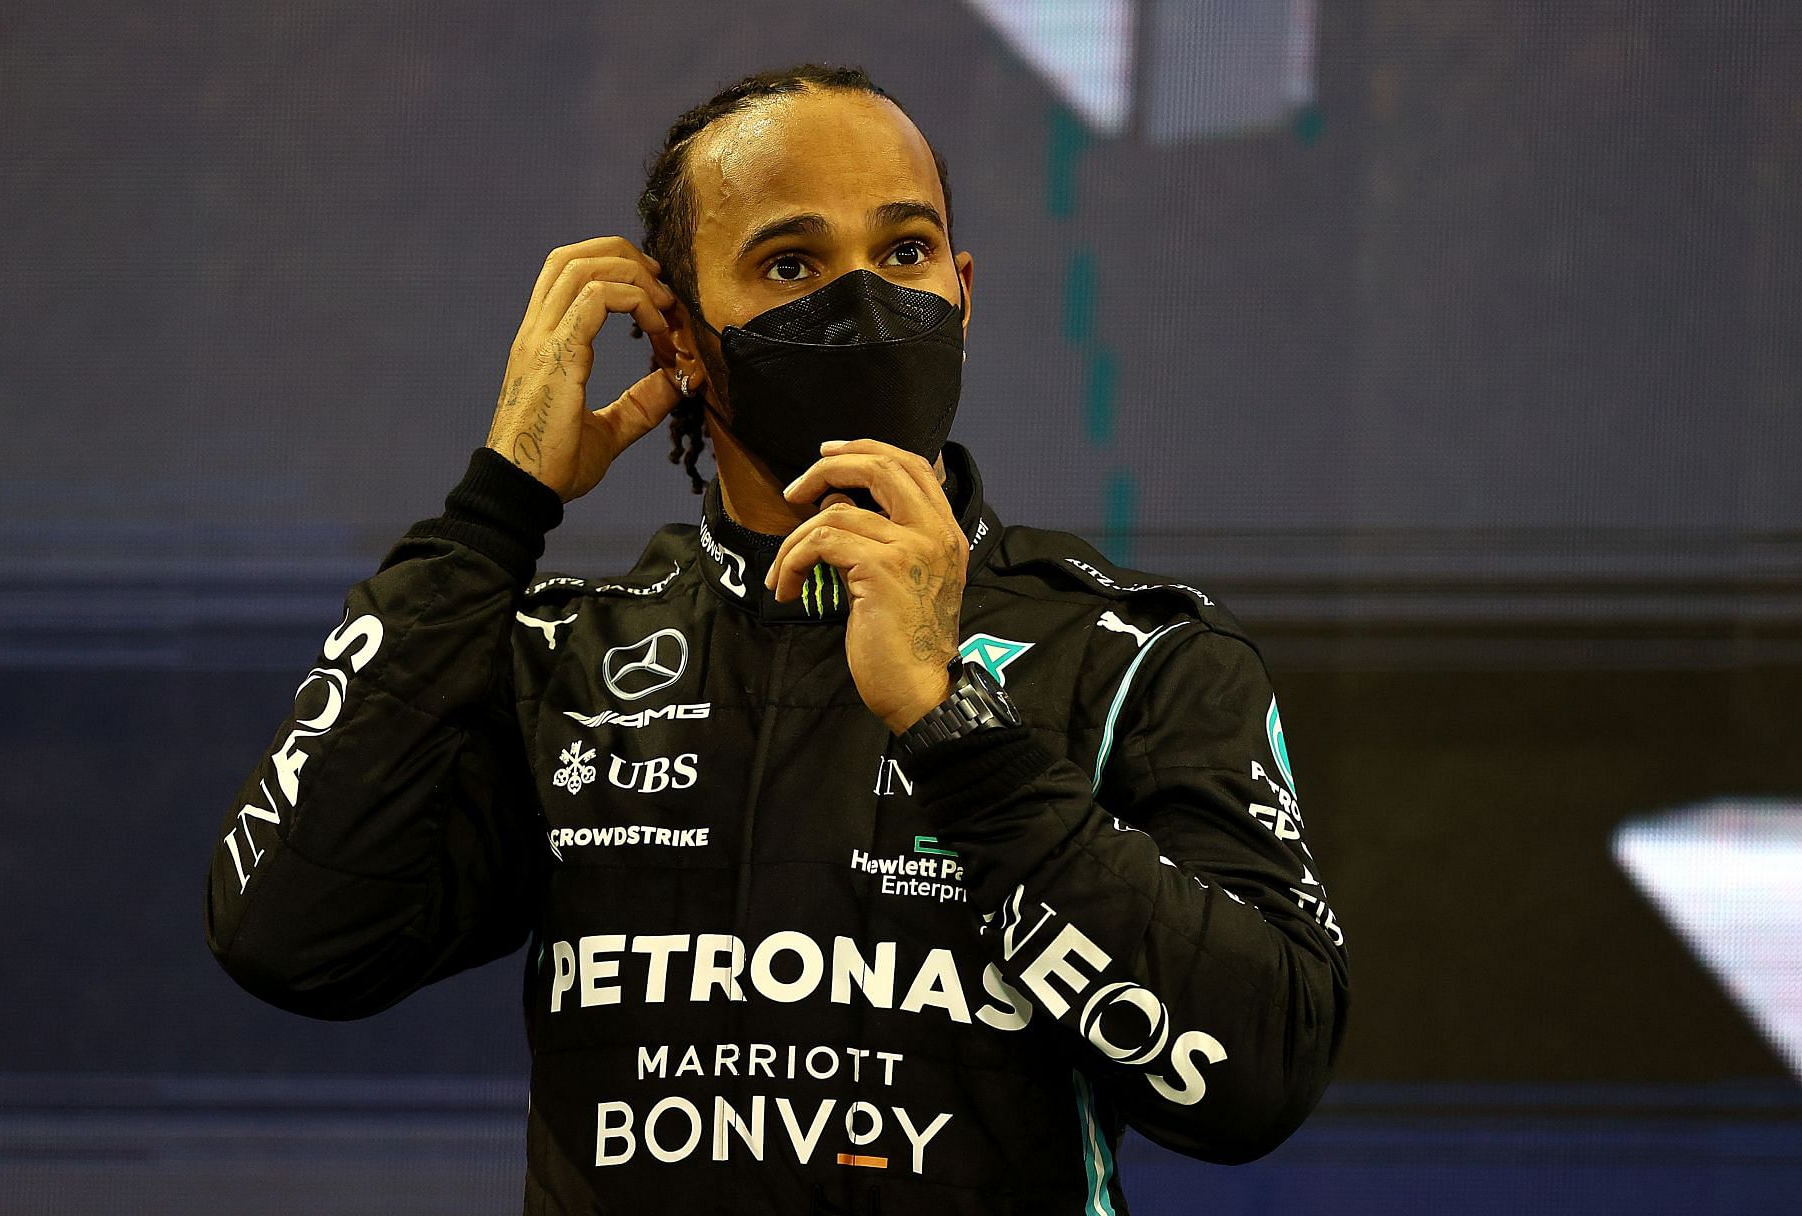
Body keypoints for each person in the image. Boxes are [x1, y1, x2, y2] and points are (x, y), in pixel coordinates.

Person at [206, 62, 1350, 1215]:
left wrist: (956, 729)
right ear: (684, 342)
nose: (862, 303)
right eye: (792, 264)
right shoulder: (565, 659)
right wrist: (495, 511)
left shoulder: (1137, 657)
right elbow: (293, 939)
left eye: (903, 253)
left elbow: (1254, 1079)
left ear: (963, 290)